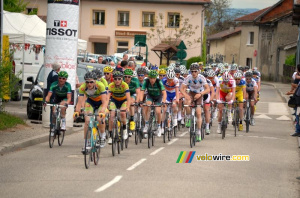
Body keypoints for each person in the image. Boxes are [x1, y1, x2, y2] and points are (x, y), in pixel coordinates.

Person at [75, 72, 108, 151]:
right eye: (87, 82)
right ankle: (87, 142)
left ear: (95, 81)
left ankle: (102, 135)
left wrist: (102, 111)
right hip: (91, 102)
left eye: (91, 82)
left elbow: (105, 101)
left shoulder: (100, 85)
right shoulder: (83, 87)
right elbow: (79, 102)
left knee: (99, 118)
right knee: (87, 121)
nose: (89, 84)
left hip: (101, 102)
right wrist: (77, 111)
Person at [180, 63, 210, 142]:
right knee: (187, 102)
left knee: (198, 112)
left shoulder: (202, 78)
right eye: (192, 71)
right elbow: (182, 89)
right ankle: (189, 117)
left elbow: (208, 89)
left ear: (198, 71)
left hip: (199, 94)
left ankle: (199, 131)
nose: (193, 73)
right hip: (191, 93)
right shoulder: (188, 78)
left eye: (195, 71)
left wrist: (200, 94)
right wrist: (185, 95)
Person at [140, 70, 167, 137]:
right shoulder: (146, 81)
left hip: (158, 97)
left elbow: (164, 93)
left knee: (158, 111)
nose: (152, 80)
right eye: (151, 78)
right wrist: (140, 101)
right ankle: (146, 124)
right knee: (147, 105)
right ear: (149, 78)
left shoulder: (159, 82)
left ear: (156, 78)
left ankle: (158, 126)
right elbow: (142, 91)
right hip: (150, 96)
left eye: (154, 78)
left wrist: (163, 102)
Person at [108, 71, 131, 141]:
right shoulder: (111, 85)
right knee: (111, 116)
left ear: (122, 79)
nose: (117, 80)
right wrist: (106, 107)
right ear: (113, 79)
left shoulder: (125, 85)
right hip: (114, 100)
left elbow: (128, 98)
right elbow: (107, 97)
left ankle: (124, 128)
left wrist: (127, 107)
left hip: (123, 101)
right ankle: (110, 135)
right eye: (115, 79)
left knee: (122, 113)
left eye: (119, 79)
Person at [123, 69, 140, 136]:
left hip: (133, 94)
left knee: (131, 102)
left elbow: (138, 93)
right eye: (126, 76)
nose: (127, 78)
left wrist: (136, 101)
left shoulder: (135, 81)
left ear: (131, 77)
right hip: (125, 94)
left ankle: (132, 120)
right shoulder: (122, 81)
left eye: (129, 77)